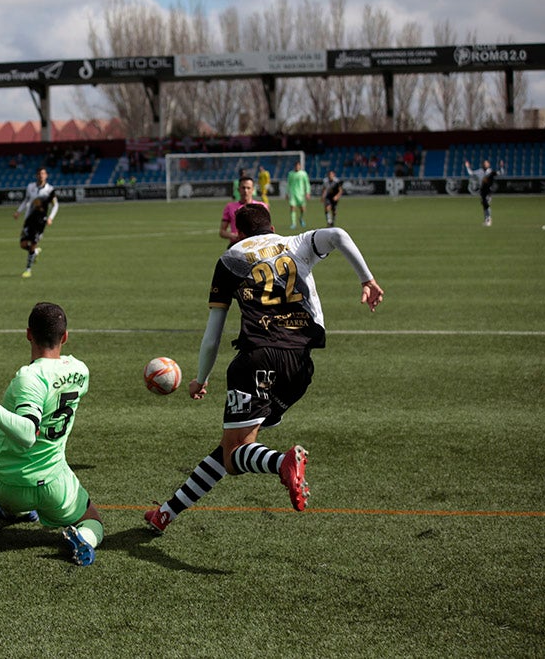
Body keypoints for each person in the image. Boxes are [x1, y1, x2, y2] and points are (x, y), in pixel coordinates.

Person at [144, 204, 384, 533]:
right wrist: (367, 280)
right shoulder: (296, 242)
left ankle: (282, 462)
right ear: (272, 225)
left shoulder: (231, 257)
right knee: (235, 446)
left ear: (239, 232)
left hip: (257, 359)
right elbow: (339, 235)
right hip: (300, 367)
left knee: (235, 455)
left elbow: (213, 335)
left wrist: (201, 378)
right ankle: (166, 513)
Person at [0, 302, 103, 566]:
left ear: (28, 333)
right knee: (93, 520)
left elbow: (27, 434)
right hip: (54, 485)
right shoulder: (80, 371)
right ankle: (83, 539)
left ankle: (14, 509)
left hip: (6, 484)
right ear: (65, 336)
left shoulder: (29, 378)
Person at [13, 166, 59, 278]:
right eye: (39, 174)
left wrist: (50, 218)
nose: (41, 175)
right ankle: (34, 253)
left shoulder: (50, 190)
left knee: (33, 243)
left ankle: (28, 269)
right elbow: (26, 200)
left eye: (43, 173)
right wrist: (19, 211)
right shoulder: (30, 187)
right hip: (28, 219)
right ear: (36, 175)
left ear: (46, 175)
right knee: (23, 244)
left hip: (40, 221)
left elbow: (55, 205)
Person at [220, 175, 268, 247]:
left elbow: (267, 230)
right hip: (237, 245)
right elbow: (222, 232)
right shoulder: (230, 207)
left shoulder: (261, 207)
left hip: (256, 246)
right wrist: (233, 235)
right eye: (243, 188)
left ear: (253, 190)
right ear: (238, 189)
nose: (246, 191)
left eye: (248, 188)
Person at [464, 159, 505, 227]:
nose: (485, 164)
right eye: (484, 163)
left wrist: (501, 166)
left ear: (489, 164)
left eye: (486, 163)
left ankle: (489, 219)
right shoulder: (479, 171)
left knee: (486, 204)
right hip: (482, 190)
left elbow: (501, 173)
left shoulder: (491, 172)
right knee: (484, 206)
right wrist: (468, 167)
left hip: (488, 191)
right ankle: (487, 219)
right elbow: (471, 173)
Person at [286, 160, 311, 229]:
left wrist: (307, 192)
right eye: (296, 166)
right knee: (292, 208)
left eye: (298, 166)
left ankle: (301, 218)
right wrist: (287, 193)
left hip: (301, 194)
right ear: (294, 166)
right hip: (293, 193)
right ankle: (293, 223)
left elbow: (307, 184)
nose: (297, 167)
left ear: (300, 166)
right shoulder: (290, 174)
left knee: (302, 209)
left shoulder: (303, 174)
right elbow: (288, 184)